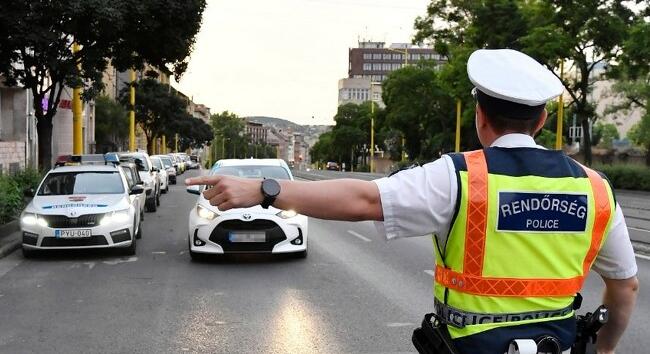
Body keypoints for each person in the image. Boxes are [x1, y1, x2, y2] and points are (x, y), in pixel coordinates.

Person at [186, 49, 638, 354]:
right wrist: (604, 347)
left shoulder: (460, 178)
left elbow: (362, 199)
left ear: (479, 116)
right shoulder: (596, 189)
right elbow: (625, 288)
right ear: (542, 120)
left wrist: (264, 190)